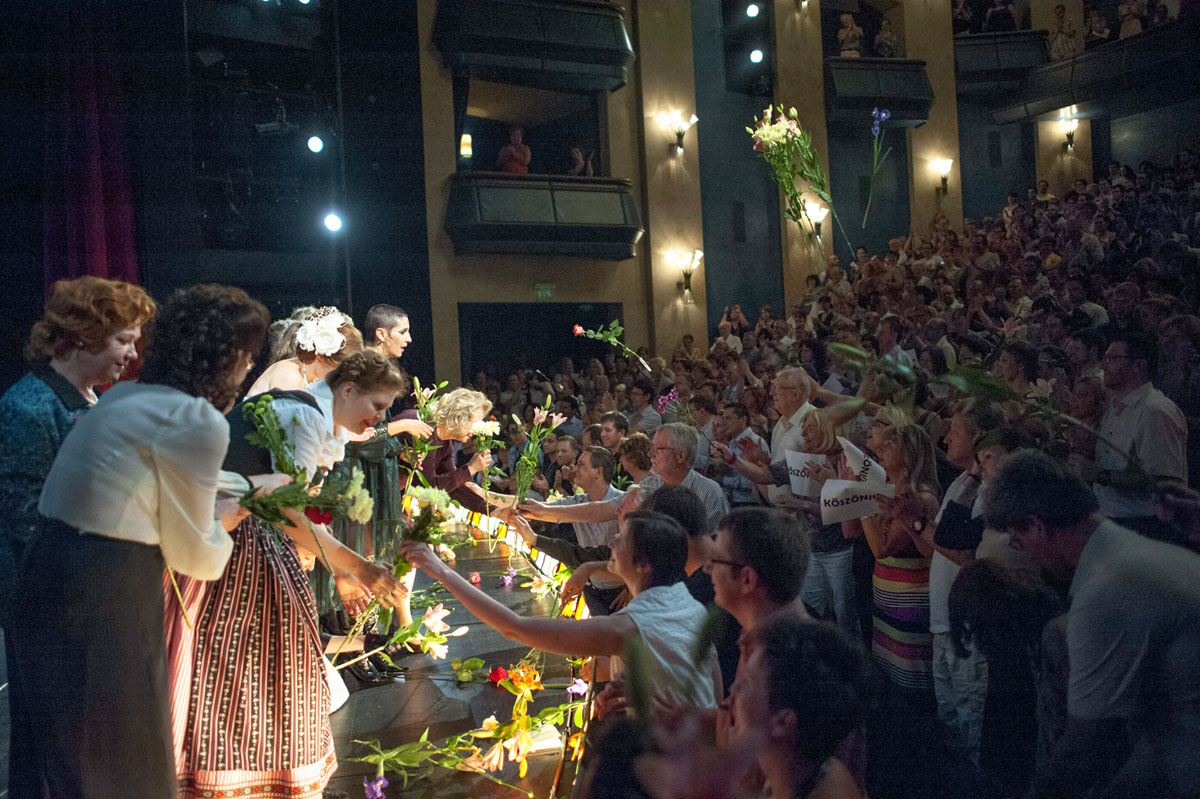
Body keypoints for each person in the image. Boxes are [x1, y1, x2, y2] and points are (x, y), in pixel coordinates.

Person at [13, 284, 266, 797]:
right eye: (246, 358)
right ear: (228, 360)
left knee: (70, 758)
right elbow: (194, 554)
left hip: (47, 571)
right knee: (119, 758)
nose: (247, 371)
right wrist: (231, 517)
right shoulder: (198, 420)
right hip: (104, 588)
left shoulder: (126, 396)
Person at [173, 348, 408, 799]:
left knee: (281, 665)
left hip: (254, 539)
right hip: (233, 546)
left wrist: (338, 571)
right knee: (244, 668)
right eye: (377, 407)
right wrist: (354, 565)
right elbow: (284, 508)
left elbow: (291, 507)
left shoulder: (316, 418)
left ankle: (268, 773)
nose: (378, 420)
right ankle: (235, 775)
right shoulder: (300, 416)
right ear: (348, 388)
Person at [0, 275, 155, 798]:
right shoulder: (29, 408)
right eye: (123, 340)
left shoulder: (94, 398)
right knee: (62, 753)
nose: (132, 354)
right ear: (83, 335)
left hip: (100, 598)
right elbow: (25, 524)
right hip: (56, 609)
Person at [985, 451, 1200, 798]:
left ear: (1037, 526)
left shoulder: (1106, 588)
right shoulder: (1127, 551)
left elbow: (1090, 748)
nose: (1020, 550)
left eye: (1017, 539)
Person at [401, 510, 722, 708]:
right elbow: (713, 689)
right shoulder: (686, 603)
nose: (612, 543)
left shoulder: (630, 627)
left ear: (643, 564)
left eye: (621, 539)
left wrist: (440, 570)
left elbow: (515, 628)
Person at [842, 423, 941, 698]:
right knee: (887, 672)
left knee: (908, 679)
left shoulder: (920, 496)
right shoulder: (884, 488)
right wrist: (851, 490)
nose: (880, 450)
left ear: (909, 455)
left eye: (889, 446)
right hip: (886, 596)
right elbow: (850, 531)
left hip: (909, 600)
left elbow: (881, 548)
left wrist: (861, 499)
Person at [1087, 331, 1187, 536]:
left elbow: (1164, 483)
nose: (1103, 366)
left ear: (1139, 365)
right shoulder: (1116, 406)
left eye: (1112, 358)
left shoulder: (1155, 411)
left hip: (1142, 525)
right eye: (1104, 358)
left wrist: (1099, 475)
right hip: (1111, 518)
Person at [247, 306, 362, 394]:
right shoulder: (289, 374)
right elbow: (288, 423)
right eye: (338, 369)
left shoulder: (313, 378)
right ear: (320, 356)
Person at [417, 387, 495, 513]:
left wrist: (492, 511)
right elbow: (429, 488)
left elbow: (453, 486)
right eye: (474, 424)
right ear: (460, 417)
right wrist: (471, 468)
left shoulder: (446, 443)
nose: (475, 431)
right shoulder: (427, 432)